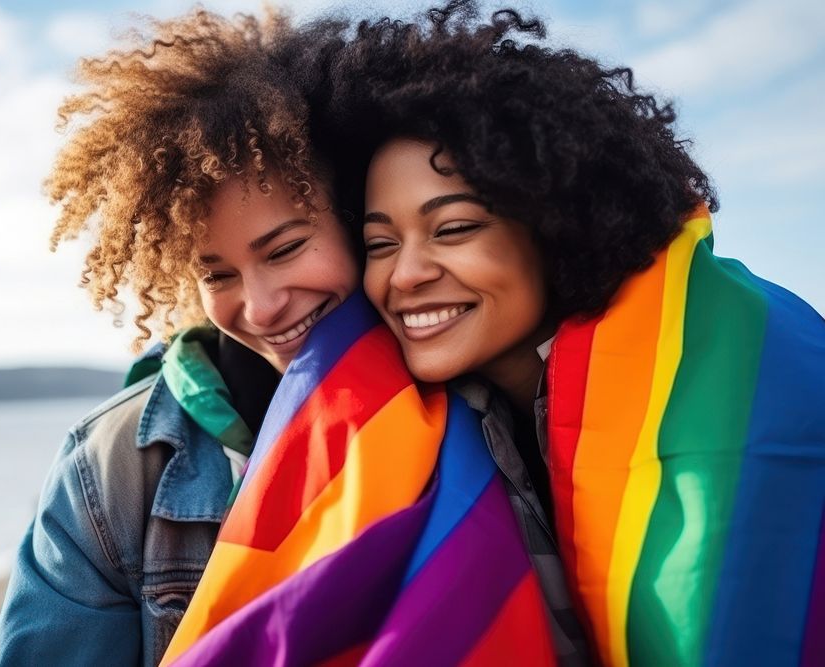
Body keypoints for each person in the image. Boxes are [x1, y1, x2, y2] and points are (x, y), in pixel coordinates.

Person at [317, 2, 825, 665]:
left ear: (553, 224)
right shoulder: (427, 422)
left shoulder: (738, 368)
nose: (406, 275)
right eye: (380, 243)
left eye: (455, 228)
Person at [0, 8, 357, 665]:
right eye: (218, 273)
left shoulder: (476, 399)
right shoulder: (112, 472)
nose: (262, 307)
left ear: (359, 215)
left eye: (287, 247)